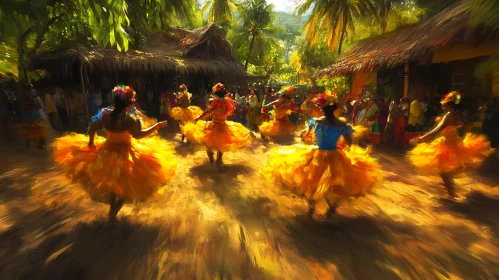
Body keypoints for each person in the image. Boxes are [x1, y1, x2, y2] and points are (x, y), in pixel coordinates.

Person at [52, 86, 177, 223]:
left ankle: (113, 209)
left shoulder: (105, 117)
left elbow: (92, 128)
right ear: (128, 104)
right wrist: (157, 125)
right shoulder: (129, 120)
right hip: (126, 153)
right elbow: (139, 136)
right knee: (127, 184)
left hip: (107, 152)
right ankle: (114, 211)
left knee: (113, 183)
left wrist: (91, 143)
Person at [262, 92, 382, 219]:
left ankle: (311, 208)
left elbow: (304, 137)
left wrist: (313, 138)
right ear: (335, 109)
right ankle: (331, 207)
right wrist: (340, 143)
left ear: (323, 109)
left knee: (311, 182)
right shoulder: (342, 124)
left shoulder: (316, 121)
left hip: (317, 153)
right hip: (335, 155)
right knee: (334, 185)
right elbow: (348, 142)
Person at [409, 91, 494, 199]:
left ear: (448, 104)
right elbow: (465, 125)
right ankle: (450, 190)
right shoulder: (455, 115)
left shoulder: (448, 116)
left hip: (447, 145)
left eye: (444, 102)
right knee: (445, 170)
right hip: (455, 143)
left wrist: (422, 138)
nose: (442, 104)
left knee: (443, 170)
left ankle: (451, 193)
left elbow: (437, 129)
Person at [182, 83, 251, 168]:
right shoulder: (228, 103)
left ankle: (212, 159)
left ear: (216, 94)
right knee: (221, 145)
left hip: (214, 125)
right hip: (223, 126)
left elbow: (207, 112)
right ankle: (219, 160)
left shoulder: (216, 102)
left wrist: (198, 118)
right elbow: (227, 113)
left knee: (209, 145)